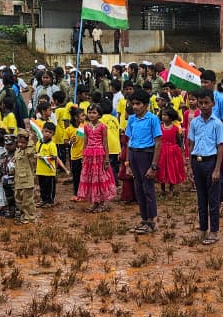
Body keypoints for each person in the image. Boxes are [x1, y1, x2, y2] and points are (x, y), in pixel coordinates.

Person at [187, 88, 223, 243]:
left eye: (206, 103)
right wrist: (190, 166)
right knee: (201, 198)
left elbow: (220, 147)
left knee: (213, 199)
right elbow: (191, 143)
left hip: (211, 162)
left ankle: (214, 231)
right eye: (200, 103)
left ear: (213, 104)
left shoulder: (217, 124)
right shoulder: (194, 122)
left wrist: (217, 169)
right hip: (197, 162)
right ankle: (203, 229)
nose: (203, 106)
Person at [122, 92, 161, 234]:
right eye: (133, 104)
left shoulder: (153, 119)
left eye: (138, 104)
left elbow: (158, 143)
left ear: (145, 105)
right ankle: (144, 219)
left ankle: (152, 220)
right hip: (133, 154)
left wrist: (153, 165)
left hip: (146, 154)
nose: (135, 106)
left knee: (148, 189)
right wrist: (127, 163)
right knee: (138, 189)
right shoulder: (132, 119)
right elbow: (129, 141)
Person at [77, 103, 116, 212]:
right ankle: (95, 202)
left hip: (99, 155)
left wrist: (107, 159)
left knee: (99, 178)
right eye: (89, 112)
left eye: (94, 113)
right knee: (91, 179)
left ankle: (102, 203)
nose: (91, 115)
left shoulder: (103, 126)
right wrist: (83, 156)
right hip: (89, 155)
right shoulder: (86, 126)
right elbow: (85, 142)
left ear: (99, 115)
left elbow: (105, 143)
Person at [35, 122, 67, 207]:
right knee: (42, 186)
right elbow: (37, 152)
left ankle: (50, 201)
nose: (47, 134)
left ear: (53, 134)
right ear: (42, 131)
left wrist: (43, 157)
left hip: (49, 171)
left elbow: (54, 157)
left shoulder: (52, 145)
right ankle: (43, 200)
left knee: (50, 187)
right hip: (40, 170)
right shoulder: (39, 143)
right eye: (46, 131)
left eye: (50, 132)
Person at [11, 129, 38, 224]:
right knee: (18, 200)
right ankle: (23, 216)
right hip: (18, 181)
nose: (20, 144)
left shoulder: (29, 151)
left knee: (27, 201)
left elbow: (30, 151)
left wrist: (30, 140)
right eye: (19, 142)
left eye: (23, 142)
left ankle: (30, 217)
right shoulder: (17, 151)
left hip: (27, 181)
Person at [156, 107, 186, 191]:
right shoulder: (159, 127)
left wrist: (181, 148)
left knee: (172, 168)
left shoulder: (175, 128)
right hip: (162, 151)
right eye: (163, 115)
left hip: (172, 152)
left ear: (171, 117)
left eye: (166, 115)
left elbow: (179, 140)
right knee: (162, 168)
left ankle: (171, 188)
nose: (163, 116)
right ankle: (162, 188)